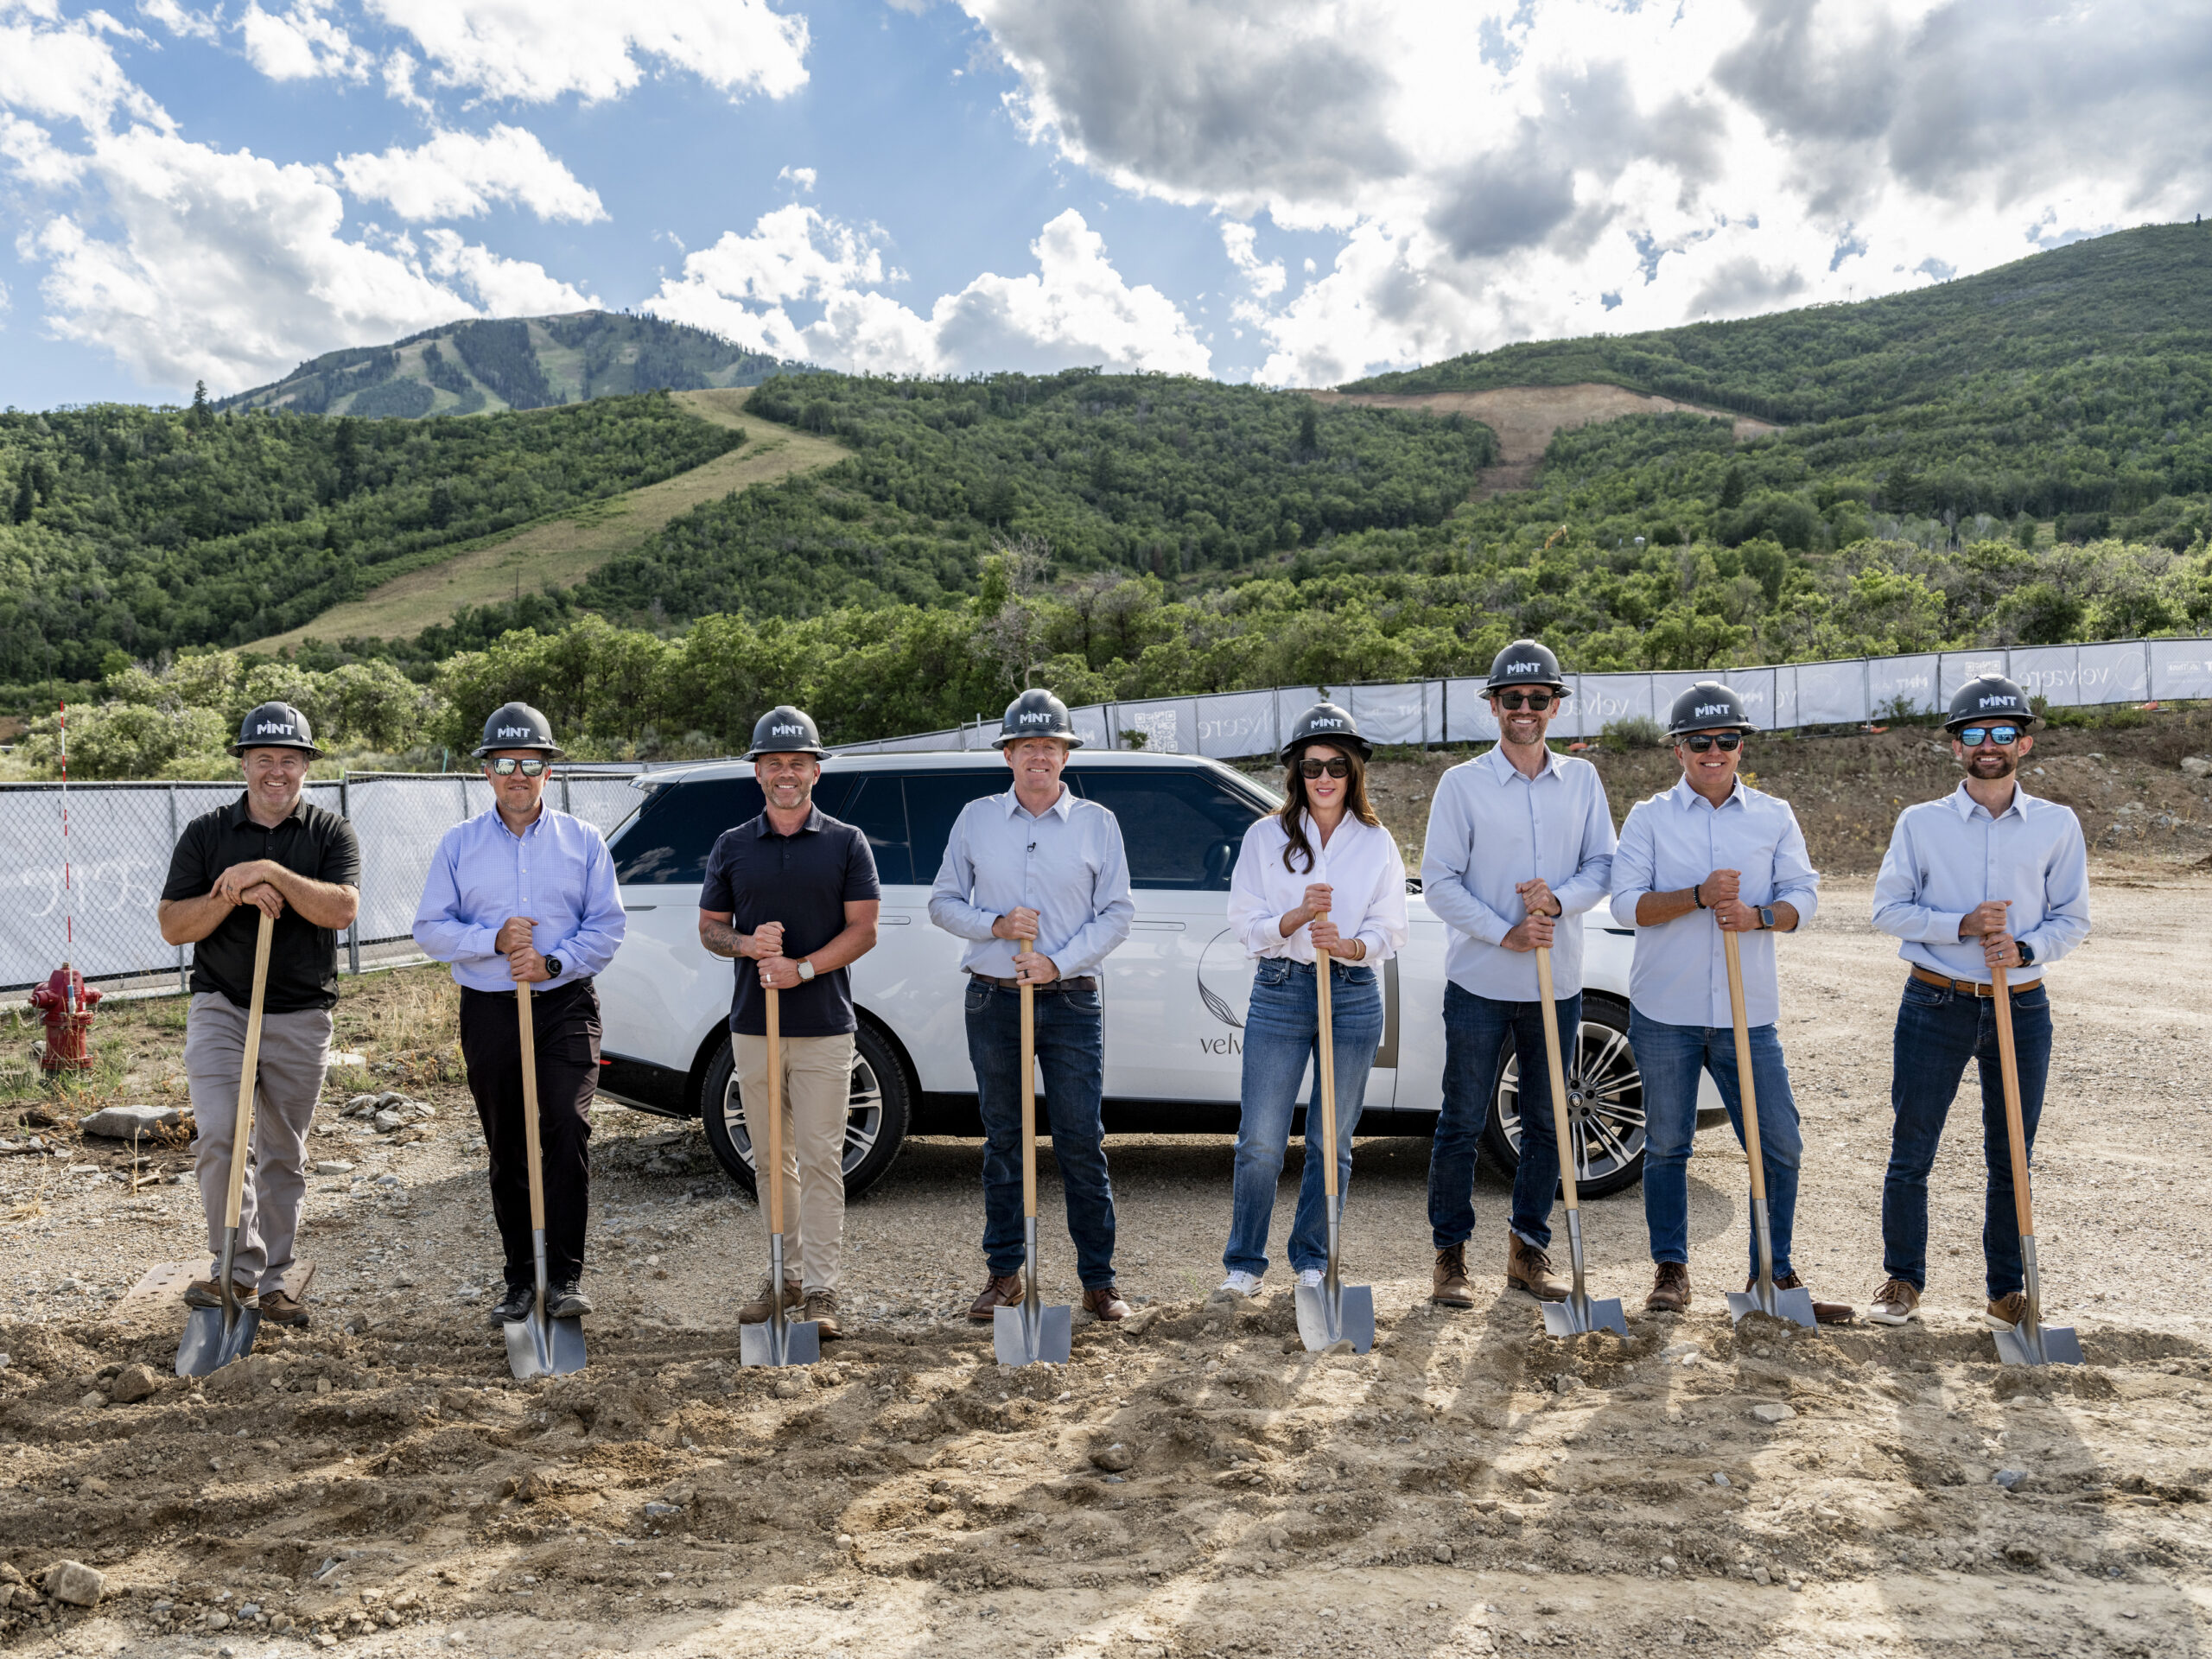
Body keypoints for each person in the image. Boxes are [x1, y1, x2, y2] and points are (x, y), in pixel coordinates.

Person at [1611, 681, 1848, 1320]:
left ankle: (1772, 1271)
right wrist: (1697, 895)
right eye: (1699, 742)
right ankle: (1670, 1270)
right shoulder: (1648, 817)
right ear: (1678, 750)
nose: (1714, 752)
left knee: (1779, 1144)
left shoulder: (1774, 815)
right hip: (1667, 1013)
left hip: (1750, 1017)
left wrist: (1761, 915)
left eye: (1727, 740)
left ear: (1740, 746)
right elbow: (1626, 905)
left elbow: (1807, 894)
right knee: (1666, 1146)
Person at [1866, 674, 2090, 1330]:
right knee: (1913, 1148)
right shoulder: (1921, 824)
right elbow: (1888, 909)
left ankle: (2004, 1293)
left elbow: (2072, 921)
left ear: (2022, 743)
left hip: (2020, 1008)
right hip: (1936, 1003)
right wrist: (1961, 925)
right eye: (1973, 735)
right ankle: (1902, 1280)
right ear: (1956, 746)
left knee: (2011, 1152)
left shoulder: (2057, 824)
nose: (1987, 746)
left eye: (2000, 734)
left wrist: (2023, 950)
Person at [413, 703, 626, 1325]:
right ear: (486, 772)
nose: (518, 774)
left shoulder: (582, 841)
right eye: (505, 763)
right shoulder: (459, 845)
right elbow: (429, 928)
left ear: (547, 772)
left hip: (564, 1005)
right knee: (508, 1143)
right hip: (490, 1009)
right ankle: (519, 1280)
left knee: (564, 1124)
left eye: (530, 763)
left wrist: (553, 963)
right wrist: (495, 942)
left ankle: (562, 1278)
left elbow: (608, 926)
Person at [1420, 639, 1618, 1307]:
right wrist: (1505, 932)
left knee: (1545, 1119)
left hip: (1554, 984)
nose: (1525, 710)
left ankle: (1528, 1251)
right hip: (1478, 981)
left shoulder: (1584, 782)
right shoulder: (1462, 784)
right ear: (1495, 707)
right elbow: (1441, 883)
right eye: (1513, 700)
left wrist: (1558, 901)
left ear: (1556, 706)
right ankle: (1450, 1256)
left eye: (1538, 699)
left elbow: (1604, 866)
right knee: (1460, 1119)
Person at [929, 689, 1135, 1324]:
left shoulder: (1098, 823)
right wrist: (993, 926)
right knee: (1004, 1139)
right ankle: (1004, 1277)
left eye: (1050, 747)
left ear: (1064, 756)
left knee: (1080, 1140)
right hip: (993, 1000)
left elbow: (1118, 913)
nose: (1038, 758)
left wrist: (1057, 961)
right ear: (1009, 756)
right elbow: (942, 902)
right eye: (1027, 748)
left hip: (1071, 1002)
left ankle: (1098, 1281)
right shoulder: (975, 818)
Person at [158, 702, 360, 1329]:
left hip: (300, 1013)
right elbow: (173, 926)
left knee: (282, 1151)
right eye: (264, 759)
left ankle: (275, 1279)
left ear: (306, 766)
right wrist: (233, 890)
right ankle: (234, 1269)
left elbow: (342, 910)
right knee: (221, 1135)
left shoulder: (330, 833)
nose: (277, 771)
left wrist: (272, 870)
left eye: (290, 760)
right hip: (223, 1005)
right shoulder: (206, 833)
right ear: (244, 763)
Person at [698, 706, 880, 1340]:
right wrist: (749, 947)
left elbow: (864, 930)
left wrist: (801, 969)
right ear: (757, 772)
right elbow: (710, 930)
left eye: (797, 763)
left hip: (825, 1026)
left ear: (815, 771)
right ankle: (785, 1277)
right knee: (771, 1160)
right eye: (773, 763)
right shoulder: (732, 845)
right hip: (753, 1025)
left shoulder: (845, 842)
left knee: (822, 1157)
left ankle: (822, 1289)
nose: (785, 774)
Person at [1215, 702, 1408, 1300]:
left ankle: (1313, 1261)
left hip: (1351, 993)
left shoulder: (1376, 842)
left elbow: (1392, 927)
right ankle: (1245, 1264)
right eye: (1311, 766)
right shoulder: (1264, 836)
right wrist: (1296, 917)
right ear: (1295, 773)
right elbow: (1245, 924)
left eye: (1336, 766)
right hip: (1280, 989)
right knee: (1262, 1139)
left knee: (1332, 1139)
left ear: (1354, 773)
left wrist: (1349, 943)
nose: (1324, 777)